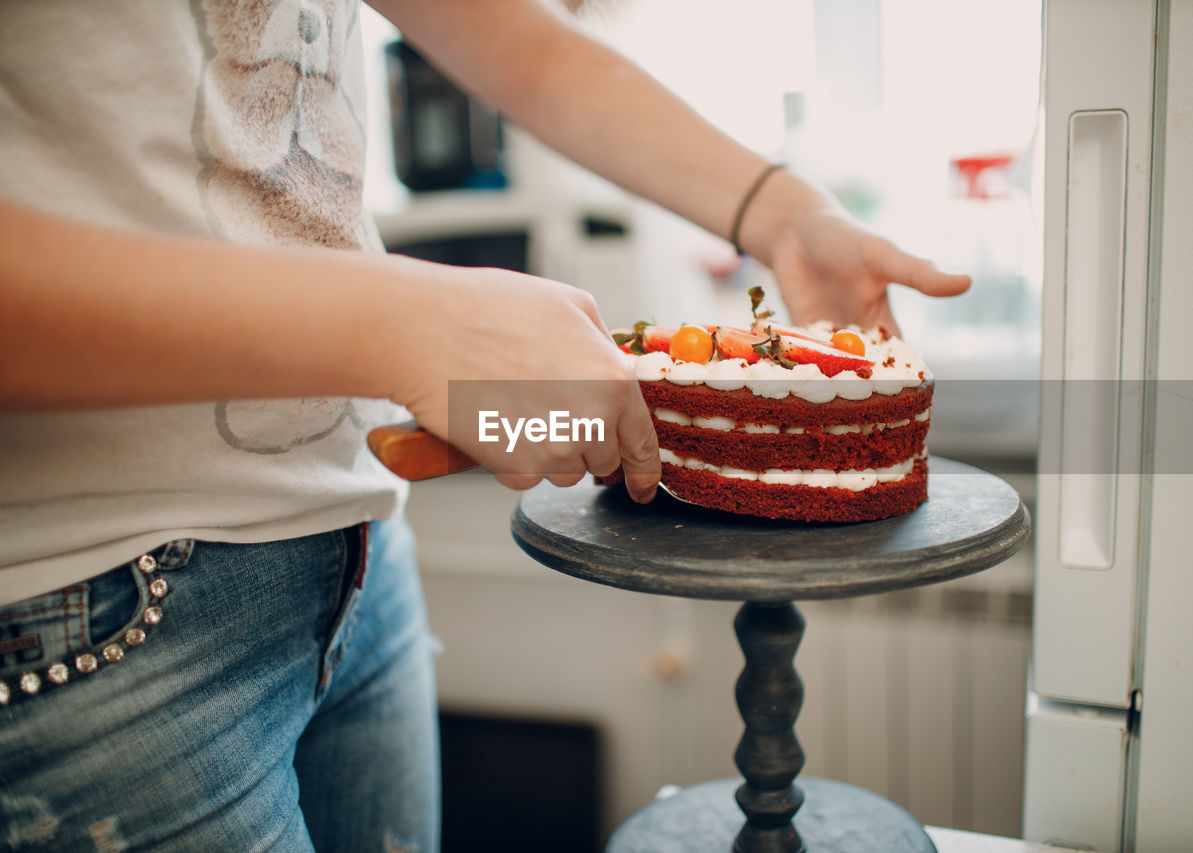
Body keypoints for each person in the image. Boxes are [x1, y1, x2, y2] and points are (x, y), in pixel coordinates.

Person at [0, 0, 970, 850]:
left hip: (357, 552)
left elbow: (513, 36)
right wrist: (402, 320)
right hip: (96, 620)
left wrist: (780, 211)